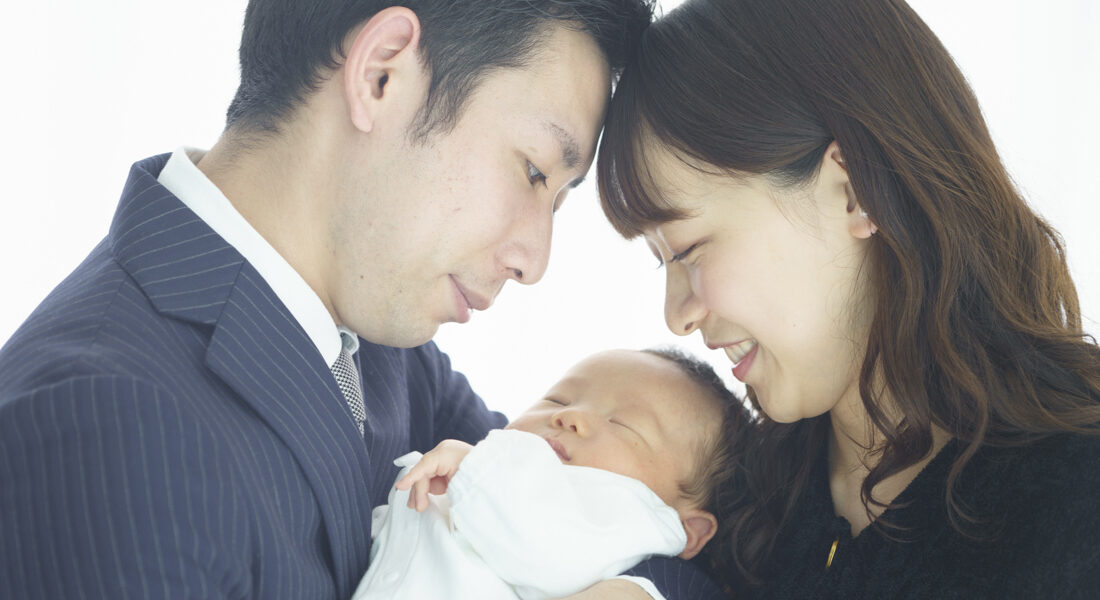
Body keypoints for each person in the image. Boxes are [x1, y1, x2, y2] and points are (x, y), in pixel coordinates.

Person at [0, 1, 726, 598]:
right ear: (381, 74)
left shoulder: (381, 346)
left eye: (558, 202)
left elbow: (618, 511)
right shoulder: (102, 424)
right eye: (535, 172)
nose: (534, 260)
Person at [596, 0, 1100, 597]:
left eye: (686, 251)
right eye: (660, 262)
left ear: (854, 191)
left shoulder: (1077, 492)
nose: (675, 315)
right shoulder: (730, 504)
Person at [354, 348, 749, 599]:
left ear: (686, 528)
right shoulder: (502, 478)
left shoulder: (616, 525)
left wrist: (472, 465)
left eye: (624, 423)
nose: (569, 416)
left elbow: (543, 544)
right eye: (557, 398)